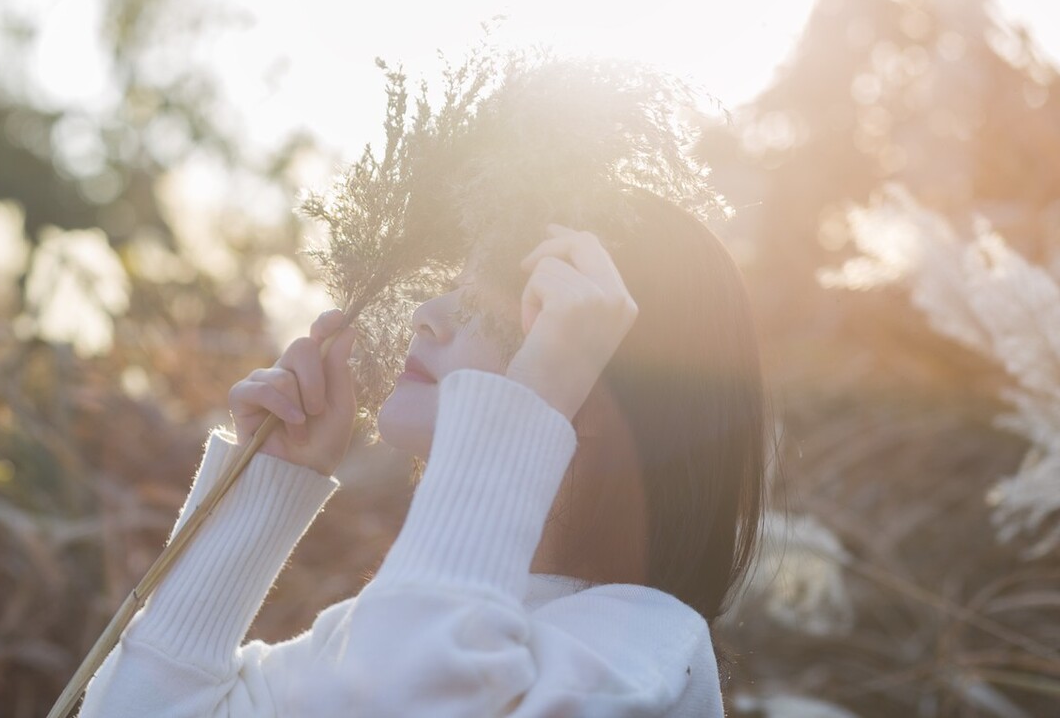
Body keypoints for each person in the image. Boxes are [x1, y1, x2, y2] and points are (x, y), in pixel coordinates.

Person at [78, 189, 768, 717]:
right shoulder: (364, 635)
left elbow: (410, 698)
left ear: (594, 379)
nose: (427, 314)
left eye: (492, 302)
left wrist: (535, 396)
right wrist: (268, 487)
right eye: (453, 287)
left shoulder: (646, 653)